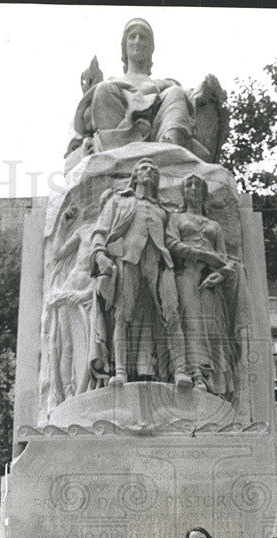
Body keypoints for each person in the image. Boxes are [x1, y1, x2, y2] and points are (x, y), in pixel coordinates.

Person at [90, 157, 192, 389]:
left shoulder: (163, 210)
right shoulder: (119, 201)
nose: (149, 172)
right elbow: (100, 231)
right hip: (127, 259)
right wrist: (100, 255)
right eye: (144, 168)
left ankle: (181, 372)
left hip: (159, 261)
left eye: (153, 170)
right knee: (122, 315)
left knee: (172, 313)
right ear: (135, 176)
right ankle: (121, 372)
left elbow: (173, 240)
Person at [73, 18, 213, 160]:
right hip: (118, 142)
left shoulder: (165, 84)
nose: (137, 41)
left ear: (151, 48)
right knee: (103, 88)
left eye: (143, 37)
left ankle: (170, 148)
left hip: (158, 134)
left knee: (175, 91)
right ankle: (119, 153)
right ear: (124, 47)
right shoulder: (112, 84)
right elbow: (88, 121)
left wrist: (203, 92)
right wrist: (89, 90)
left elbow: (190, 100)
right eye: (132, 37)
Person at [166, 175, 241, 399]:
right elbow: (172, 243)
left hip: (209, 280)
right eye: (188, 184)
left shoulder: (213, 225)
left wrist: (220, 274)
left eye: (198, 185)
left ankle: (210, 377)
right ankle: (193, 372)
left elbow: (225, 258)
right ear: (183, 191)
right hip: (186, 274)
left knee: (211, 327)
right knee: (190, 322)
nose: (193, 189)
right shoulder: (176, 218)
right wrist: (203, 255)